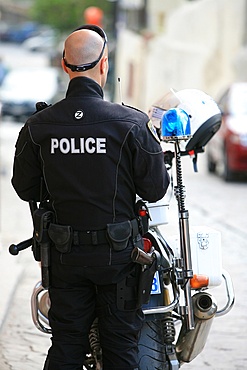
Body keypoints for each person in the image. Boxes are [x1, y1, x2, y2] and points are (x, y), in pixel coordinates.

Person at [11, 25, 170, 370]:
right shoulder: (130, 123)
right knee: (121, 347)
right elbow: (156, 189)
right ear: (105, 64)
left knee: (66, 344)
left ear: (65, 66)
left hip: (66, 259)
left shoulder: (38, 126)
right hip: (119, 259)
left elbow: (25, 189)